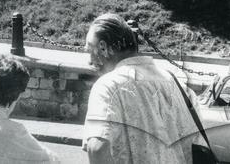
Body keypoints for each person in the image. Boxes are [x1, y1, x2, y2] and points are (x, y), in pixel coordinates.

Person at [83, 13, 202, 163]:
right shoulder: (175, 82)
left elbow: (97, 148)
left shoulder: (108, 87)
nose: (89, 61)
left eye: (89, 50)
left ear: (103, 47)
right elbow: (197, 143)